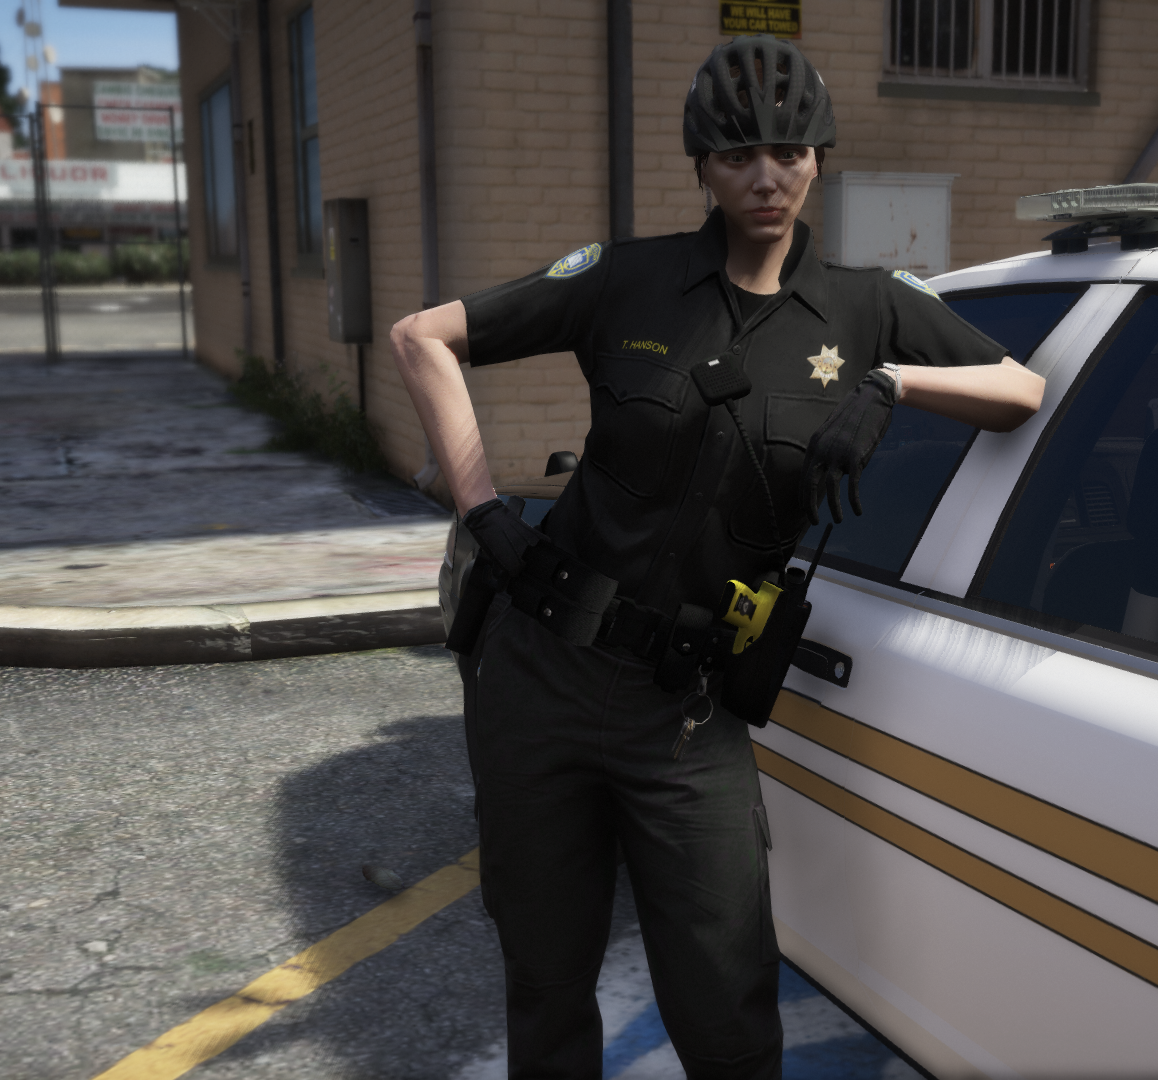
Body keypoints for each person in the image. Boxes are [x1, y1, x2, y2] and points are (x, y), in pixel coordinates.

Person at [387, 34, 1045, 1079]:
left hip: (686, 714)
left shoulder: (867, 305)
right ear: (702, 166)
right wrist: (481, 514)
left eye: (789, 151)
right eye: (739, 155)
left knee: (729, 1010)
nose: (766, 177)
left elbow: (1021, 390)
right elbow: (422, 337)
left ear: (818, 159)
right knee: (546, 987)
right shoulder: (628, 279)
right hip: (541, 676)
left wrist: (890, 385)